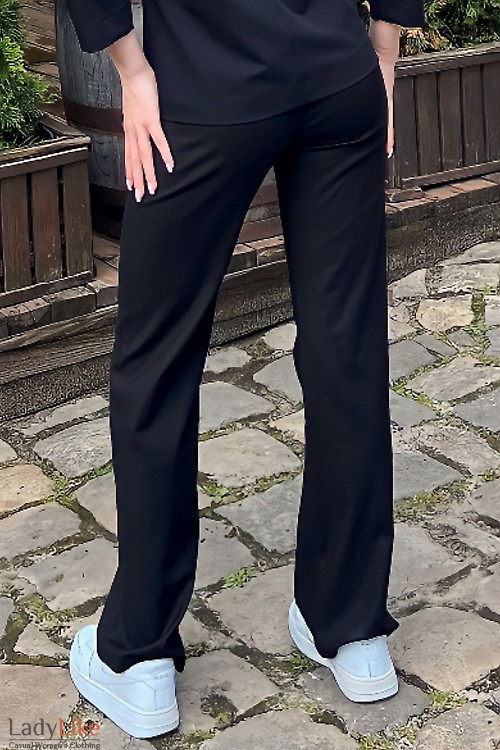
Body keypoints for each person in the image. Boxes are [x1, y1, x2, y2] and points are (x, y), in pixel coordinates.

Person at [64, 0, 425, 739]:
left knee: (157, 361)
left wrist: (132, 71)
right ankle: (352, 629)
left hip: (203, 95)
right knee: (347, 352)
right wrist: (384, 49)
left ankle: (139, 656)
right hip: (337, 79)